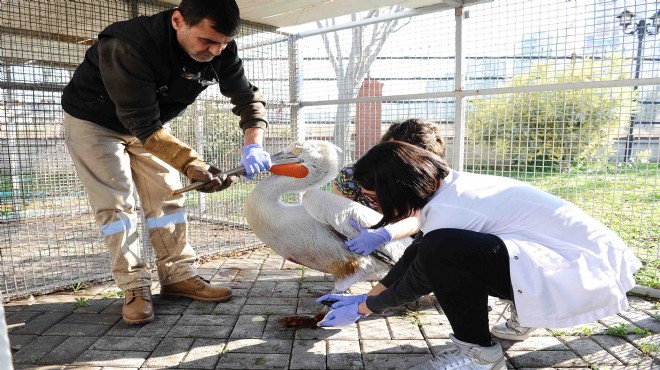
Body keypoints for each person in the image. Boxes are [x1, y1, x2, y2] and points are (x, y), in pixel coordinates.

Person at [316, 141, 641, 370]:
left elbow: (421, 274)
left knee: (445, 251)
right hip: (571, 259)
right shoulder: (447, 189)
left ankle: (479, 356)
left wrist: (365, 307)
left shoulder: (451, 209)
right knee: (441, 248)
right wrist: (370, 296)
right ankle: (527, 313)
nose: (373, 205)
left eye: (374, 198)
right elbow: (415, 255)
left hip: (584, 273)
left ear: (396, 188)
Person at [61, 0, 272, 325]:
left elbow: (246, 97)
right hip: (96, 123)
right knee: (117, 206)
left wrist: (253, 145)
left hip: (153, 123)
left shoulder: (221, 49)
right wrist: (193, 163)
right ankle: (134, 288)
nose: (215, 51)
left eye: (223, 43)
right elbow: (141, 123)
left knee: (169, 195)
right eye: (207, 41)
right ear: (178, 20)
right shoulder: (127, 45)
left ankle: (178, 276)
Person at [334, 118, 446, 260]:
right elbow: (338, 210)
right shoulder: (352, 175)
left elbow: (417, 219)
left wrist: (383, 234)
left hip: (405, 243)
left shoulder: (425, 182)